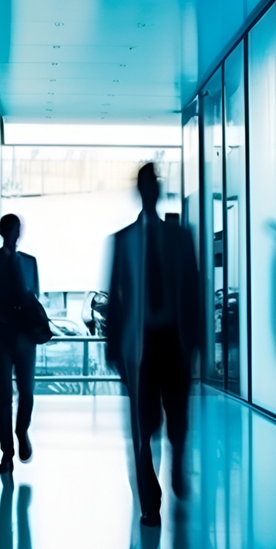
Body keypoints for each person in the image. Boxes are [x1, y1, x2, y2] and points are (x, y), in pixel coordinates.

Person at [106, 163, 201, 528]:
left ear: (158, 191)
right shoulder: (124, 240)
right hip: (140, 344)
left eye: (154, 185)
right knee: (143, 426)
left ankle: (177, 460)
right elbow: (115, 297)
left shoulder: (179, 237)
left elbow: (193, 292)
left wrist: (196, 342)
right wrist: (113, 347)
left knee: (177, 417)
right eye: (144, 185)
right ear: (139, 190)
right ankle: (150, 502)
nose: (150, 191)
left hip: (173, 341)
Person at [0, 214, 40, 474]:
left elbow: (34, 295)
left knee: (26, 393)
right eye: (12, 230)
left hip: (25, 338)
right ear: (4, 232)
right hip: (2, 338)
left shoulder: (29, 262)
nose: (16, 234)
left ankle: (21, 431)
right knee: (3, 398)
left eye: (18, 230)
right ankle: (7, 453)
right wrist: (3, 315)